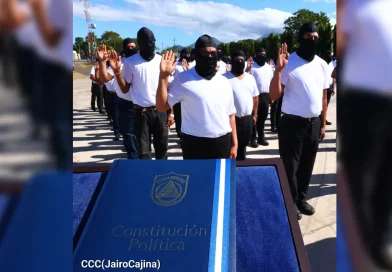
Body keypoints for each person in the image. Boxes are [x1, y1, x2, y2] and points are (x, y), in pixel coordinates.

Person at [269, 23, 329, 220]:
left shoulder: (321, 64)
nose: (313, 41)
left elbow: (323, 96)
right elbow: (274, 95)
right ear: (300, 38)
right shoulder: (289, 62)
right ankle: (290, 201)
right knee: (290, 167)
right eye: (308, 37)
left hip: (313, 123)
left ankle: (302, 199)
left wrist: (322, 122)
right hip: (292, 124)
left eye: (315, 37)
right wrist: (278, 69)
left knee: (307, 165)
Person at [156, 35, 237, 160]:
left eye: (213, 53)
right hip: (193, 143)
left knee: (219, 179)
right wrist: (163, 77)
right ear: (196, 54)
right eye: (205, 52)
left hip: (222, 141)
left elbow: (231, 115)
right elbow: (162, 107)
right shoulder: (183, 79)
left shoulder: (224, 82)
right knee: (195, 179)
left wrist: (235, 143)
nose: (209, 56)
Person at [110, 27, 174, 160]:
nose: (151, 45)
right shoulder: (130, 62)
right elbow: (125, 89)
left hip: (160, 112)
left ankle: (162, 176)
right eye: (147, 42)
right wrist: (117, 72)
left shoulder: (161, 60)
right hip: (141, 113)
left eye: (153, 41)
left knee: (162, 149)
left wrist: (171, 112)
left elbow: (168, 89)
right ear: (140, 44)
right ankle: (147, 178)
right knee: (144, 152)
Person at [97, 41, 139, 159]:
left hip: (142, 105)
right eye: (129, 46)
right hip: (125, 103)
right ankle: (133, 159)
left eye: (133, 46)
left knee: (142, 135)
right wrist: (102, 61)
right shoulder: (120, 62)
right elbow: (104, 78)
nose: (131, 48)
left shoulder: (143, 62)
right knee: (129, 134)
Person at [224, 50, 258, 160]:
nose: (239, 62)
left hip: (247, 120)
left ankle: (240, 168)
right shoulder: (223, 78)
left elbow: (255, 97)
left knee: (243, 147)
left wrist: (254, 114)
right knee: (230, 149)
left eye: (241, 60)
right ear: (231, 61)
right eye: (236, 60)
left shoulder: (250, 78)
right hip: (230, 121)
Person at [246, 48, 274, 147]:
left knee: (263, 117)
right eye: (260, 54)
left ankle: (261, 138)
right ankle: (252, 139)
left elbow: (271, 82)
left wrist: (272, 96)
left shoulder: (268, 68)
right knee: (254, 117)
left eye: (264, 54)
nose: (262, 56)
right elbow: (246, 78)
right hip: (255, 96)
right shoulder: (252, 68)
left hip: (266, 95)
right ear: (257, 55)